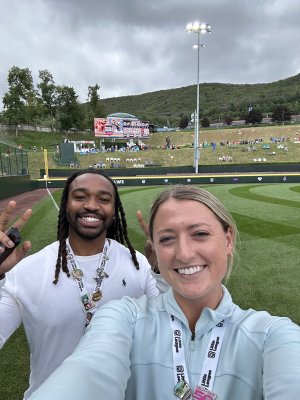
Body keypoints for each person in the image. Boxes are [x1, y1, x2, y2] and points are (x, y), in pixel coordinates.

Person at [29, 185, 300, 400]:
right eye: (167, 239)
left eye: (200, 234)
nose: (183, 253)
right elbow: (88, 373)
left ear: (228, 240)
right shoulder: (123, 317)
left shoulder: (272, 335)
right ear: (155, 250)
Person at [0, 169, 159, 399]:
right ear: (66, 205)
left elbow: (170, 328)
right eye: (80, 196)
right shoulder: (28, 270)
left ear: (114, 211)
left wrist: (163, 272)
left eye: (103, 199)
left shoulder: (139, 265)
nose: (92, 205)